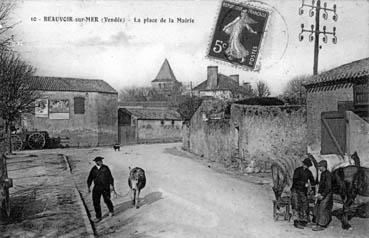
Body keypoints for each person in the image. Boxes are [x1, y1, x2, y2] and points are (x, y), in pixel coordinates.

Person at [87, 156, 115, 222]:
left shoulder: (105, 168)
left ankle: (111, 210)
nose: (101, 162)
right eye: (99, 161)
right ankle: (98, 216)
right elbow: (90, 178)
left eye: (101, 161)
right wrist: (88, 186)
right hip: (97, 187)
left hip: (106, 187)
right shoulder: (93, 169)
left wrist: (111, 185)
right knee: (96, 202)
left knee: (107, 200)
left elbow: (110, 177)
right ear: (96, 162)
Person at [291, 157, 316, 229]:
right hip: (295, 190)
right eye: (305, 165)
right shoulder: (297, 170)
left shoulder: (308, 172)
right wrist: (304, 184)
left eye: (307, 166)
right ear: (303, 164)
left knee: (305, 205)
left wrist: (314, 184)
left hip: (303, 191)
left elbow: (312, 181)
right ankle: (296, 222)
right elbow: (295, 181)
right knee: (296, 205)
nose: (306, 166)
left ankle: (303, 221)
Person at [312, 160, 333, 231]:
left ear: (323, 167)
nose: (319, 168)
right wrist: (318, 194)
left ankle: (321, 225)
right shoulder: (323, 173)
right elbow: (321, 185)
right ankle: (319, 223)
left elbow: (328, 187)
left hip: (327, 194)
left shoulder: (328, 174)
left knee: (322, 209)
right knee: (317, 208)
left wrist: (322, 195)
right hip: (322, 194)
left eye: (320, 167)